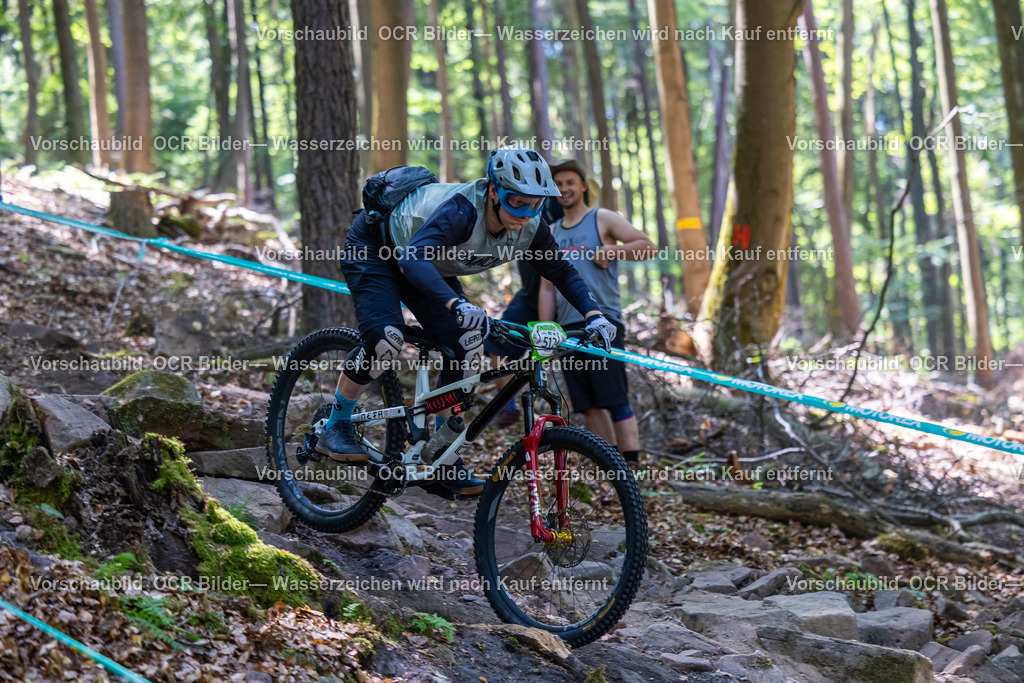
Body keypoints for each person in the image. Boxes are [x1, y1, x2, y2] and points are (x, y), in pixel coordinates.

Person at [317, 148, 618, 496]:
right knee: (386, 340)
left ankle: (442, 458)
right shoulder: (461, 211)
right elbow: (413, 260)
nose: (525, 212)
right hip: (377, 249)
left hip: (427, 265)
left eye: (535, 204)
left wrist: (595, 316)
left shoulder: (532, 226)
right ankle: (336, 424)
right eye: (516, 202)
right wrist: (455, 303)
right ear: (493, 191)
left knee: (468, 347)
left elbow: (562, 271)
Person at [539, 159, 656, 466]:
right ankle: (608, 468)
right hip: (568, 330)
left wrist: (613, 250)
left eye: (570, 182)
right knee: (588, 404)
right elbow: (547, 288)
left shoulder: (601, 218)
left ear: (583, 186)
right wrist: (544, 329)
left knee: (614, 399)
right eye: (559, 184)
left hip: (604, 323)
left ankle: (631, 471)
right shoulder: (549, 232)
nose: (564, 189)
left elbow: (648, 246)